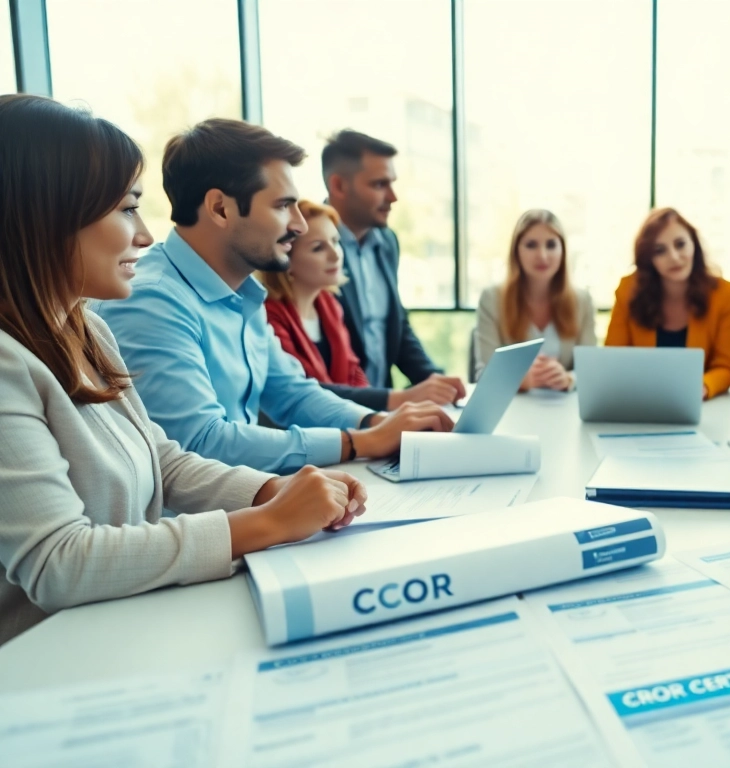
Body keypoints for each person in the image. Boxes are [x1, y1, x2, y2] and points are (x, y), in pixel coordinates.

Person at [0, 95, 367, 645]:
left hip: (123, 626)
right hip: (49, 665)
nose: (145, 235)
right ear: (45, 214)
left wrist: (271, 489)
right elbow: (58, 562)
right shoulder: (9, 362)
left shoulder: (84, 329)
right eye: (127, 208)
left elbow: (160, 456)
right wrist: (266, 523)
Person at [96, 119, 452, 474]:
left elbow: (292, 393)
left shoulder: (243, 292)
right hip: (201, 524)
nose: (298, 225)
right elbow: (198, 443)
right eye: (283, 206)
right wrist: (356, 442)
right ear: (221, 208)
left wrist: (375, 422)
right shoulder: (152, 300)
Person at [260, 200, 450, 410]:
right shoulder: (269, 316)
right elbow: (303, 392)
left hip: (347, 425)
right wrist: (397, 399)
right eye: (318, 248)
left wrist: (376, 420)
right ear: (285, 258)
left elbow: (354, 374)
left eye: (335, 241)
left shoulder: (329, 306)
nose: (336, 255)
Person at [322, 130, 465, 405]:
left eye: (392, 183)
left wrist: (434, 381)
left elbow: (396, 326)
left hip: (385, 409)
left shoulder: (387, 242)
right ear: (339, 186)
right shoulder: (305, 246)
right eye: (379, 185)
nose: (393, 196)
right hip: (337, 415)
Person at [606, 208, 730, 399]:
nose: (674, 257)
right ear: (649, 259)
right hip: (640, 399)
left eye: (680, 244)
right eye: (660, 250)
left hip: (699, 404)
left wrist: (703, 387)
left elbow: (725, 367)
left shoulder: (723, 293)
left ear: (694, 245)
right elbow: (613, 359)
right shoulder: (628, 289)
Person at [473, 209, 596, 390]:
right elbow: (484, 374)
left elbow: (591, 371)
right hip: (513, 411)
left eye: (551, 245)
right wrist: (521, 380)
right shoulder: (492, 299)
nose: (543, 255)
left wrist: (568, 379)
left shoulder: (582, 301)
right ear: (516, 251)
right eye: (531, 245)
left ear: (563, 250)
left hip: (563, 410)